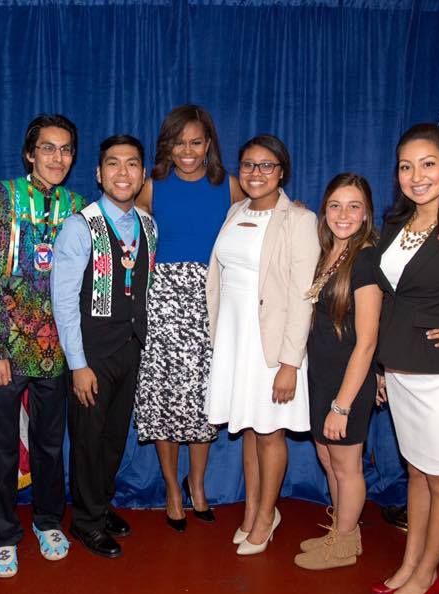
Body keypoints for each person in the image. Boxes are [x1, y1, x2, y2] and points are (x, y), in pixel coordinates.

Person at [0, 115, 86, 573]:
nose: (56, 158)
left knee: (47, 443)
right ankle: (3, 532)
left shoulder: (79, 206)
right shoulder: (1, 197)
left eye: (65, 150)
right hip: (7, 346)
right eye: (47, 148)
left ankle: (46, 519)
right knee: (2, 444)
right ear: (29, 153)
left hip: (56, 349)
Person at [206, 134, 319, 555]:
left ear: (282, 172)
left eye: (267, 165)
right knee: (251, 430)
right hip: (235, 341)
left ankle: (266, 516)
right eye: (249, 165)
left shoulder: (299, 220)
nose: (257, 173)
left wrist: (290, 362)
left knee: (270, 433)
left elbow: (303, 296)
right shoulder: (235, 210)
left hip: (271, 346)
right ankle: (255, 510)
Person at [134, 105, 243, 531]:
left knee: (202, 399)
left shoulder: (229, 187)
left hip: (211, 302)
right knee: (163, 398)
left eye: (196, 142)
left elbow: (266, 214)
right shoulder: (152, 186)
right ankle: (172, 490)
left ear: (209, 144)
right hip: (162, 302)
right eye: (179, 142)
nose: (187, 151)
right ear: (167, 145)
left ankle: (197, 484)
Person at [51, 135, 157, 558]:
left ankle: (101, 502)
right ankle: (86, 521)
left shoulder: (148, 224)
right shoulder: (81, 225)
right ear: (99, 173)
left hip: (131, 348)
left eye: (132, 164)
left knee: (114, 437)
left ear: (143, 174)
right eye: (113, 164)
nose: (123, 172)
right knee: (88, 439)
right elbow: (63, 300)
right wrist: (77, 364)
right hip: (91, 353)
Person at [374, 123, 439, 594]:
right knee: (418, 474)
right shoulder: (395, 225)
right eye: (406, 166)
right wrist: (383, 366)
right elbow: (392, 300)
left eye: (428, 164)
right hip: (402, 371)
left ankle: (428, 574)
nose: (416, 175)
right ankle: (410, 563)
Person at [294, 173, 382, 570]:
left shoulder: (365, 260)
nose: (343, 214)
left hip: (349, 380)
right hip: (321, 376)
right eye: (335, 205)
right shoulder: (328, 253)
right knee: (328, 460)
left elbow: (366, 342)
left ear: (366, 215)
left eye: (353, 206)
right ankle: (342, 532)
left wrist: (343, 405)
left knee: (347, 466)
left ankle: (344, 544)